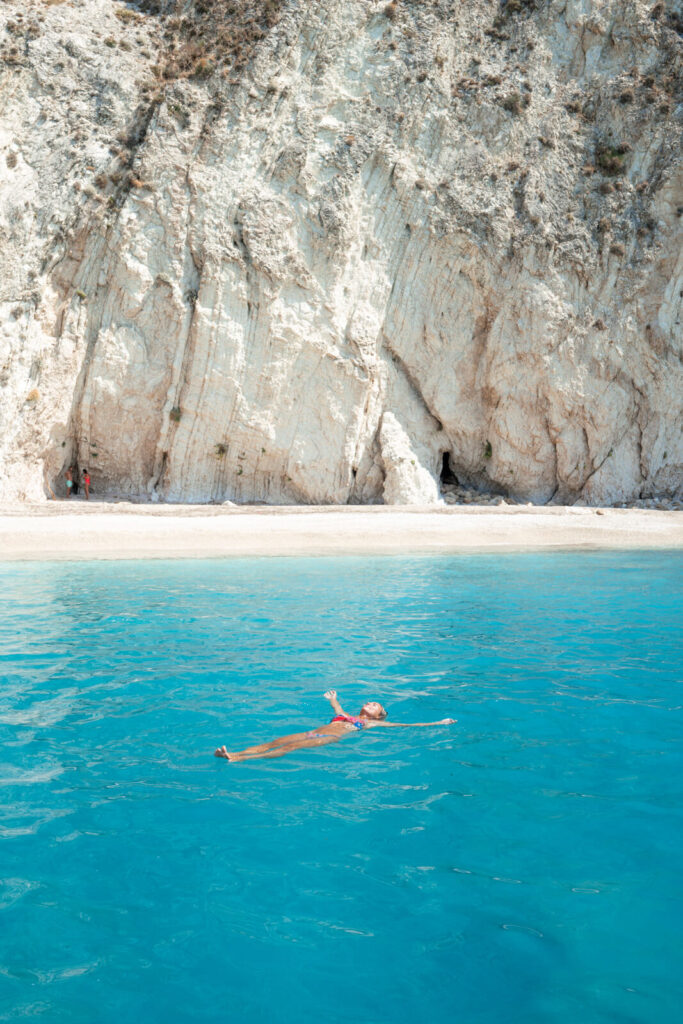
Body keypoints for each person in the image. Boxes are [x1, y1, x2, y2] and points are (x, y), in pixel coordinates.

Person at [214, 689, 456, 762]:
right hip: (315, 731)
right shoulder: (348, 715)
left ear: (379, 715)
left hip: (330, 738)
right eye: (370, 701)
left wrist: (439, 722)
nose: (371, 703)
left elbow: (408, 726)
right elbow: (337, 710)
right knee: (273, 742)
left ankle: (237, 758)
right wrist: (332, 698)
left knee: (291, 748)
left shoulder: (370, 724)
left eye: (376, 705)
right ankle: (234, 752)